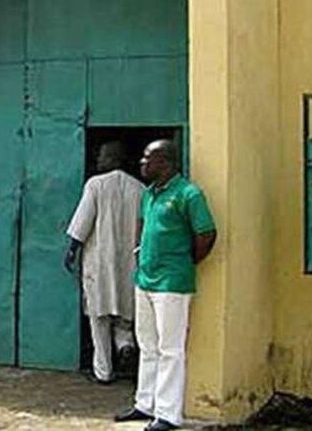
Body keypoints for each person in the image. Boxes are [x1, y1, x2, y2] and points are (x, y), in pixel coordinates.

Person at [115, 140, 217, 431]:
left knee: (170, 348)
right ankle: (144, 404)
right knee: (147, 345)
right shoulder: (149, 194)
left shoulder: (188, 194)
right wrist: (140, 251)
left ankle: (168, 414)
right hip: (145, 280)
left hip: (172, 283)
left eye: (148, 158)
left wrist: (183, 261)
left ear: (166, 162)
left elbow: (207, 234)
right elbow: (143, 225)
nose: (142, 163)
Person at [65, 141, 143, 384]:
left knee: (98, 319)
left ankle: (103, 372)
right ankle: (126, 345)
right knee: (124, 317)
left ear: (112, 159)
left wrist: (72, 250)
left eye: (101, 156)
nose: (98, 160)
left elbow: (82, 223)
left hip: (99, 263)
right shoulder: (140, 189)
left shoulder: (96, 185)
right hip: (129, 264)